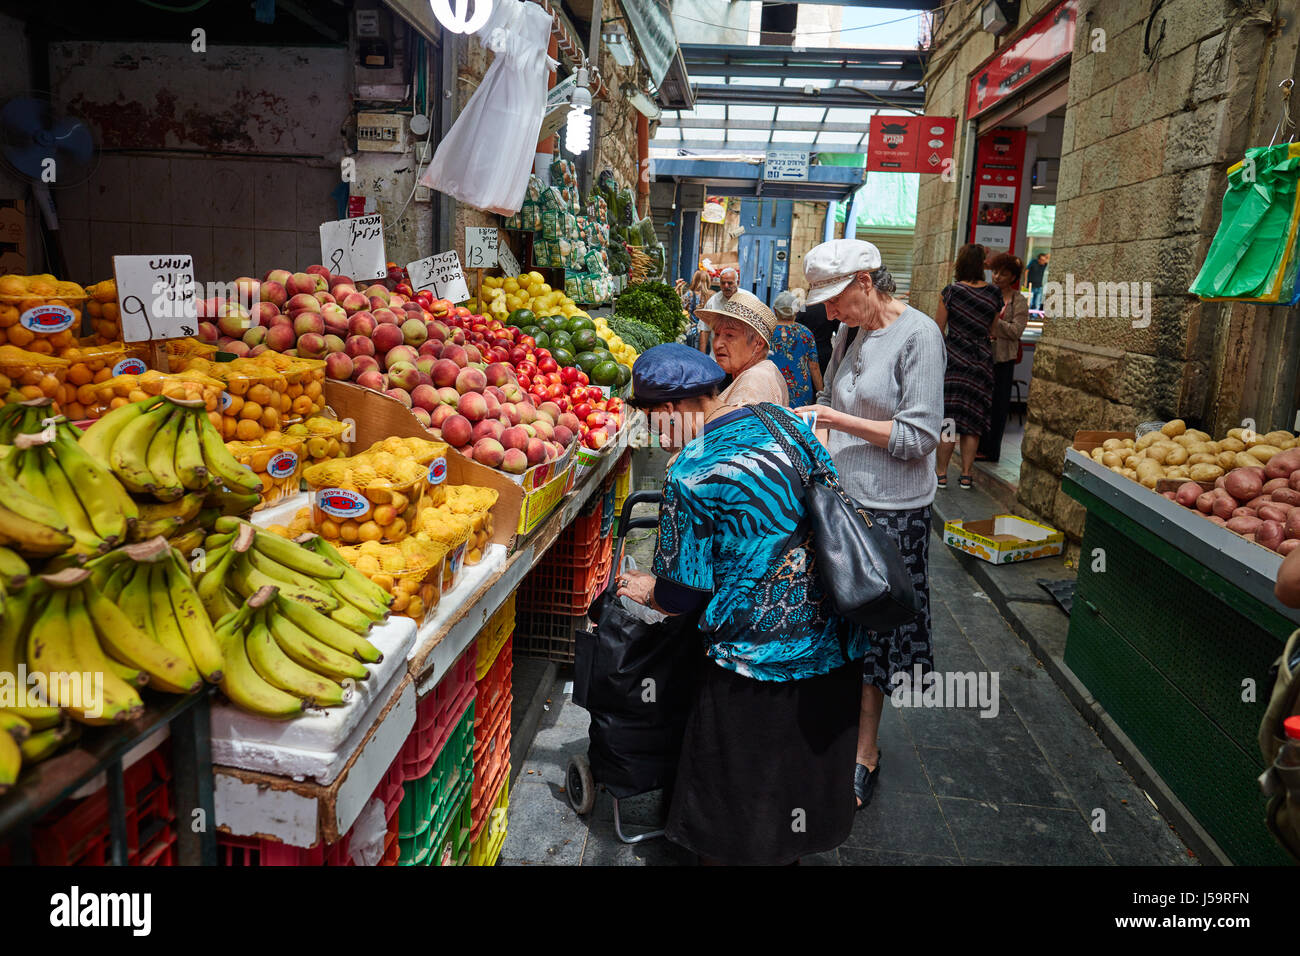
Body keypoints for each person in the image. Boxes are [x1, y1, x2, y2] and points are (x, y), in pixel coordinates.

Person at [617, 342, 868, 865]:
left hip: (755, 660)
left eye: (653, 424)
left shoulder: (692, 468)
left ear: (668, 411)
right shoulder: (783, 421)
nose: (655, 438)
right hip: (832, 641)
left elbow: (685, 593)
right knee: (795, 781)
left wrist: (648, 589)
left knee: (741, 800)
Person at [801, 238, 946, 811]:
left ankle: (864, 753)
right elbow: (831, 397)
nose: (829, 313)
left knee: (876, 638)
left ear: (866, 281)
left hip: (893, 513)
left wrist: (841, 420)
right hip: (842, 500)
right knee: (836, 624)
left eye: (836, 300)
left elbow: (918, 438)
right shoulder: (848, 332)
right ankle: (830, 735)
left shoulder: (918, 337)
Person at [934, 243, 1002, 489]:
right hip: (980, 362)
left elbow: (938, 329)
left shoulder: (951, 292)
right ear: (982, 267)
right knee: (972, 423)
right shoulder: (994, 294)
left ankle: (941, 474)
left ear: (960, 264)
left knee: (949, 421)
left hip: (954, 361)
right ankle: (966, 474)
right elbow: (993, 330)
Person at [695, 288, 788, 406]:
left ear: (758, 343)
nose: (717, 344)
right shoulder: (764, 369)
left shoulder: (752, 385)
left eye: (729, 335)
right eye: (717, 334)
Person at [979, 253, 1030, 462]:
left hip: (1004, 359)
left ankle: (992, 450)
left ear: (1013, 277)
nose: (998, 277)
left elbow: (1017, 330)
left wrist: (993, 322)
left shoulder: (1018, 300)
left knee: (999, 405)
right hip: (982, 356)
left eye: (1004, 274)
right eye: (996, 272)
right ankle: (977, 446)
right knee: (981, 403)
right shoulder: (986, 294)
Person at [769, 290, 823, 408]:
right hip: (800, 391)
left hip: (772, 388)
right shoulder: (805, 333)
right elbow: (814, 367)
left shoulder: (767, 333)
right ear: (796, 311)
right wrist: (821, 394)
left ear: (775, 310)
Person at [682, 269, 712, 353]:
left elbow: (680, 307)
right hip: (706, 333)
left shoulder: (690, 294)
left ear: (694, 280)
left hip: (692, 331)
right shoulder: (711, 296)